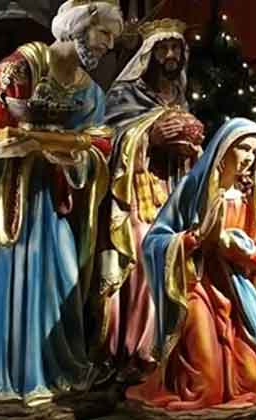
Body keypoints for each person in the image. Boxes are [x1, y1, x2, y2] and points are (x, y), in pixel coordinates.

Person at [0, 0, 123, 405]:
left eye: (112, 38)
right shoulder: (19, 69)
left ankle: (57, 370)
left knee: (65, 278)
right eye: (103, 33)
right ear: (77, 26)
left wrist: (76, 159)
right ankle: (3, 375)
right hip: (12, 205)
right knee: (7, 286)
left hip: (56, 205)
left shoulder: (90, 92)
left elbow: (100, 147)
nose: (107, 44)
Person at [126, 118, 256, 410]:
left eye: (255, 152)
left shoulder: (251, 196)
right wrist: (192, 240)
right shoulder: (193, 187)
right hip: (196, 286)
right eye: (243, 148)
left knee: (252, 379)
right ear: (223, 148)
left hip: (235, 289)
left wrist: (240, 248)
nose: (248, 158)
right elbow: (154, 241)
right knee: (206, 385)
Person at [96, 17, 203, 379]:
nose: (171, 56)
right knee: (143, 255)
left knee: (181, 252)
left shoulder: (179, 94)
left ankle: (173, 343)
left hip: (173, 190)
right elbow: (108, 139)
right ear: (148, 54)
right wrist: (149, 135)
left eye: (176, 49)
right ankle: (137, 348)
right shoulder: (124, 95)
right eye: (163, 49)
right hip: (135, 195)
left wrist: (190, 143)